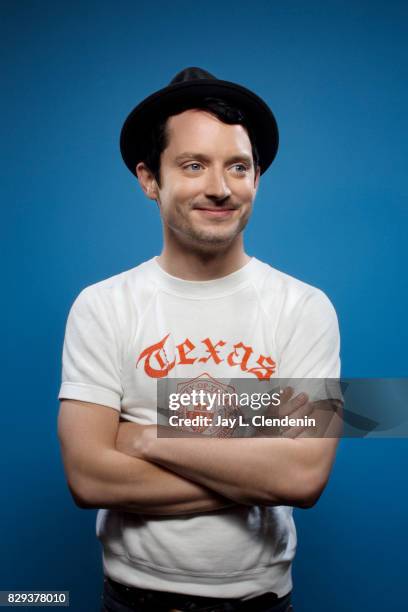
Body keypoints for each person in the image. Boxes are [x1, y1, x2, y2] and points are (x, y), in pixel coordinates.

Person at [57, 67, 342, 612]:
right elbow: (88, 476)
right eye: (193, 165)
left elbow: (303, 476)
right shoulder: (102, 306)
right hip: (131, 600)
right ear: (149, 178)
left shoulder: (306, 308)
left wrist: (146, 437)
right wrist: (255, 468)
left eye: (238, 166)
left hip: (259, 601)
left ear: (256, 178)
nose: (220, 186)